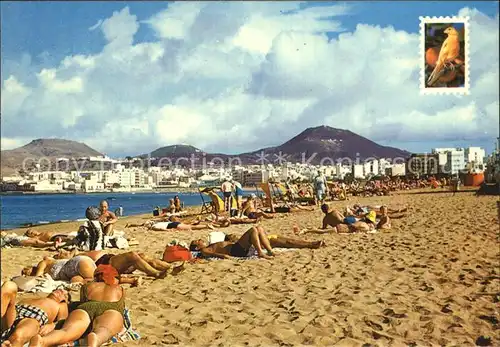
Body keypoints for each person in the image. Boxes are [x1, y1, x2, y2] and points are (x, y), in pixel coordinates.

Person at [29, 265, 126, 347]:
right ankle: (96, 338)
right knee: (104, 330)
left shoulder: (87, 286)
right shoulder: (120, 289)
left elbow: (82, 302)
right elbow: (122, 307)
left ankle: (43, 341)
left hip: (86, 307)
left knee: (66, 331)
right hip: (111, 309)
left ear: (97, 277)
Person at [55, 249, 184, 280]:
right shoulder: (73, 260)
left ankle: (170, 268)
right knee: (132, 255)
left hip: (111, 257)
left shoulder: (76, 252)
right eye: (60, 253)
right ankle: (156, 273)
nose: (63, 252)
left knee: (143, 256)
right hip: (106, 263)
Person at [1, 289, 68, 347]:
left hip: (33, 316)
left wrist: (52, 325)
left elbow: (63, 320)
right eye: (59, 289)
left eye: (65, 294)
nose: (61, 290)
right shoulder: (34, 298)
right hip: (15, 311)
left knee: (18, 336)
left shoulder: (61, 304)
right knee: (9, 287)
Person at [190, 226, 275, 259]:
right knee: (253, 230)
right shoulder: (204, 250)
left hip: (237, 247)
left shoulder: (209, 245)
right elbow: (214, 254)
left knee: (259, 228)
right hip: (236, 250)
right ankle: (260, 253)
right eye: (197, 241)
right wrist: (225, 256)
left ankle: (270, 251)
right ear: (197, 247)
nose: (200, 239)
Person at [23, 255, 97, 284]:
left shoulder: (42, 264)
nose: (27, 273)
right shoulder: (45, 274)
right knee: (79, 281)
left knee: (96, 280)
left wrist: (37, 276)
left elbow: (37, 276)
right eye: (26, 274)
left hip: (76, 264)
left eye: (27, 270)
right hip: (74, 273)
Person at [225, 231, 325, 249]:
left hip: (271, 237)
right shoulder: (241, 244)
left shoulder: (242, 239)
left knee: (291, 240)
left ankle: (310, 243)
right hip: (269, 241)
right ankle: (311, 244)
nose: (235, 236)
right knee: (290, 242)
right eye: (233, 236)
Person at [149, 216, 214, 231]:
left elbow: (159, 229)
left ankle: (206, 226)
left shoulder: (154, 226)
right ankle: (205, 225)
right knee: (190, 226)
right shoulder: (159, 223)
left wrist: (167, 230)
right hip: (172, 223)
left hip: (171, 225)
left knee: (191, 227)